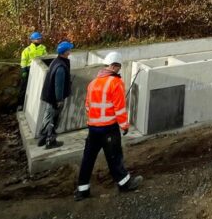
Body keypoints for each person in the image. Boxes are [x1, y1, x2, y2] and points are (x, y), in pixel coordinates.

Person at [75, 51, 142, 200]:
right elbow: (119, 108)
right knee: (114, 157)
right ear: (114, 66)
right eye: (118, 67)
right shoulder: (115, 83)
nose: (119, 70)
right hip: (108, 129)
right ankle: (125, 184)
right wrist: (124, 126)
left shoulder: (93, 83)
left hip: (93, 128)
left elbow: (87, 106)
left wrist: (95, 119)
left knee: (88, 158)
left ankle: (82, 189)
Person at [38, 41, 73, 149]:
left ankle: (43, 138)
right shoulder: (61, 67)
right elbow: (59, 85)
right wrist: (59, 100)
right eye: (69, 49)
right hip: (54, 99)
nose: (70, 51)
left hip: (49, 96)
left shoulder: (56, 61)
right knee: (53, 119)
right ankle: (50, 141)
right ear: (65, 52)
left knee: (48, 117)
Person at [17, 31, 46, 111]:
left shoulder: (43, 48)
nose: (39, 40)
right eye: (38, 39)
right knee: (24, 87)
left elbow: (46, 58)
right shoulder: (27, 50)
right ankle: (20, 104)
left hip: (39, 69)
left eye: (40, 38)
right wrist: (24, 70)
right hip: (29, 69)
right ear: (32, 40)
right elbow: (23, 61)